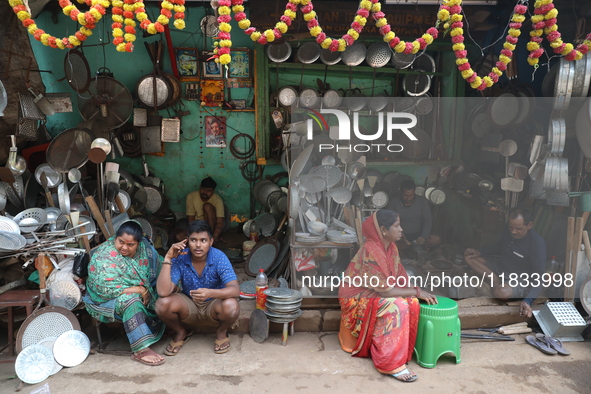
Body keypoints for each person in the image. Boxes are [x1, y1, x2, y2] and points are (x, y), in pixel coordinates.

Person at [338, 210, 437, 383]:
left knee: (412, 303)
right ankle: (389, 363)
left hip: (375, 291)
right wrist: (417, 291)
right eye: (397, 226)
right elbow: (386, 291)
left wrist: (414, 293)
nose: (401, 230)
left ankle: (399, 352)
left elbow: (398, 277)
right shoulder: (372, 251)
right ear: (383, 230)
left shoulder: (391, 248)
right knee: (397, 306)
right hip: (356, 296)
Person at [84, 221, 165, 366]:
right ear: (115, 238)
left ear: (138, 244)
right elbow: (103, 288)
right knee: (131, 300)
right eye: (120, 242)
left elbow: (158, 264)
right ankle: (141, 350)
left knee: (166, 287)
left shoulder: (144, 249)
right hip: (104, 299)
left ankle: (168, 327)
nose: (124, 247)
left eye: (130, 245)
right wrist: (139, 289)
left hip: (142, 290)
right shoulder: (104, 257)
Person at [155, 220, 240, 355]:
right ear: (187, 241)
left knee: (231, 305)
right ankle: (181, 332)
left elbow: (235, 290)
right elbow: (163, 292)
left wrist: (210, 293)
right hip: (189, 305)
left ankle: (221, 331)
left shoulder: (219, 257)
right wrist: (168, 258)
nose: (198, 245)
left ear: (211, 242)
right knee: (161, 304)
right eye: (193, 240)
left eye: (203, 240)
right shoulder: (180, 257)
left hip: (213, 305)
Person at [463, 208, 546, 318]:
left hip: (518, 278)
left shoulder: (537, 244)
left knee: (502, 293)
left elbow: (539, 278)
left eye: (518, 229)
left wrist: (528, 301)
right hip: (499, 266)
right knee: (469, 256)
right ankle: (496, 280)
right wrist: (480, 252)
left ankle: (494, 283)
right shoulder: (508, 230)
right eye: (510, 227)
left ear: (529, 225)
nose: (513, 231)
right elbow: (501, 245)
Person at [387, 179, 433, 246]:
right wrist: (398, 235)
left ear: (414, 192)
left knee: (435, 240)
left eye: (411, 195)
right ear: (400, 192)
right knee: (391, 243)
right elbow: (390, 222)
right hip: (401, 237)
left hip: (418, 236)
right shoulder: (393, 202)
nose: (408, 198)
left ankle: (409, 248)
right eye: (405, 195)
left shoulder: (422, 201)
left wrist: (424, 236)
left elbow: (428, 219)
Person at [186, 177, 225, 242]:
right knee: (179, 237)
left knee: (207, 206)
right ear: (200, 187)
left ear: (213, 191)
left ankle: (209, 236)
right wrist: (197, 234)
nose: (205, 192)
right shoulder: (191, 196)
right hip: (198, 227)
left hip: (212, 226)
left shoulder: (217, 200)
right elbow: (191, 219)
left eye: (208, 190)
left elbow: (220, 222)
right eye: (203, 189)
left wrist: (214, 236)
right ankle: (204, 240)